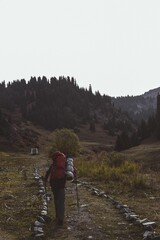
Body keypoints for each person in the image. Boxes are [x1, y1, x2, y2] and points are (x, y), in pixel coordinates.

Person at [44, 151, 76, 227]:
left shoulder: (54, 163)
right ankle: (60, 220)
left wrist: (45, 180)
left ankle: (57, 216)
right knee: (61, 201)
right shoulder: (66, 163)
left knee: (56, 199)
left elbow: (48, 172)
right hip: (61, 184)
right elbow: (73, 171)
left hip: (53, 183)